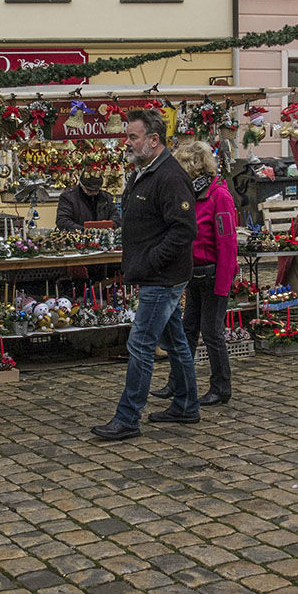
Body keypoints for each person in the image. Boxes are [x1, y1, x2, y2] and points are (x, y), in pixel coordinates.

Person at [91, 108, 198, 440]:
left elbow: (183, 231)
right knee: (176, 341)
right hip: (154, 273)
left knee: (141, 343)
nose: (127, 142)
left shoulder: (170, 176)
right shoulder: (145, 171)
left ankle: (128, 417)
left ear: (154, 140)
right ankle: (185, 404)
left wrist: (151, 260)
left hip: (162, 277)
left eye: (132, 136)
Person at [149, 141, 238, 406]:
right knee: (186, 332)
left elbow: (227, 243)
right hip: (193, 275)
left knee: (212, 334)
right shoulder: (190, 194)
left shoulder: (218, 196)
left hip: (213, 277)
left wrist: (223, 284)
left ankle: (221, 387)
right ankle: (178, 383)